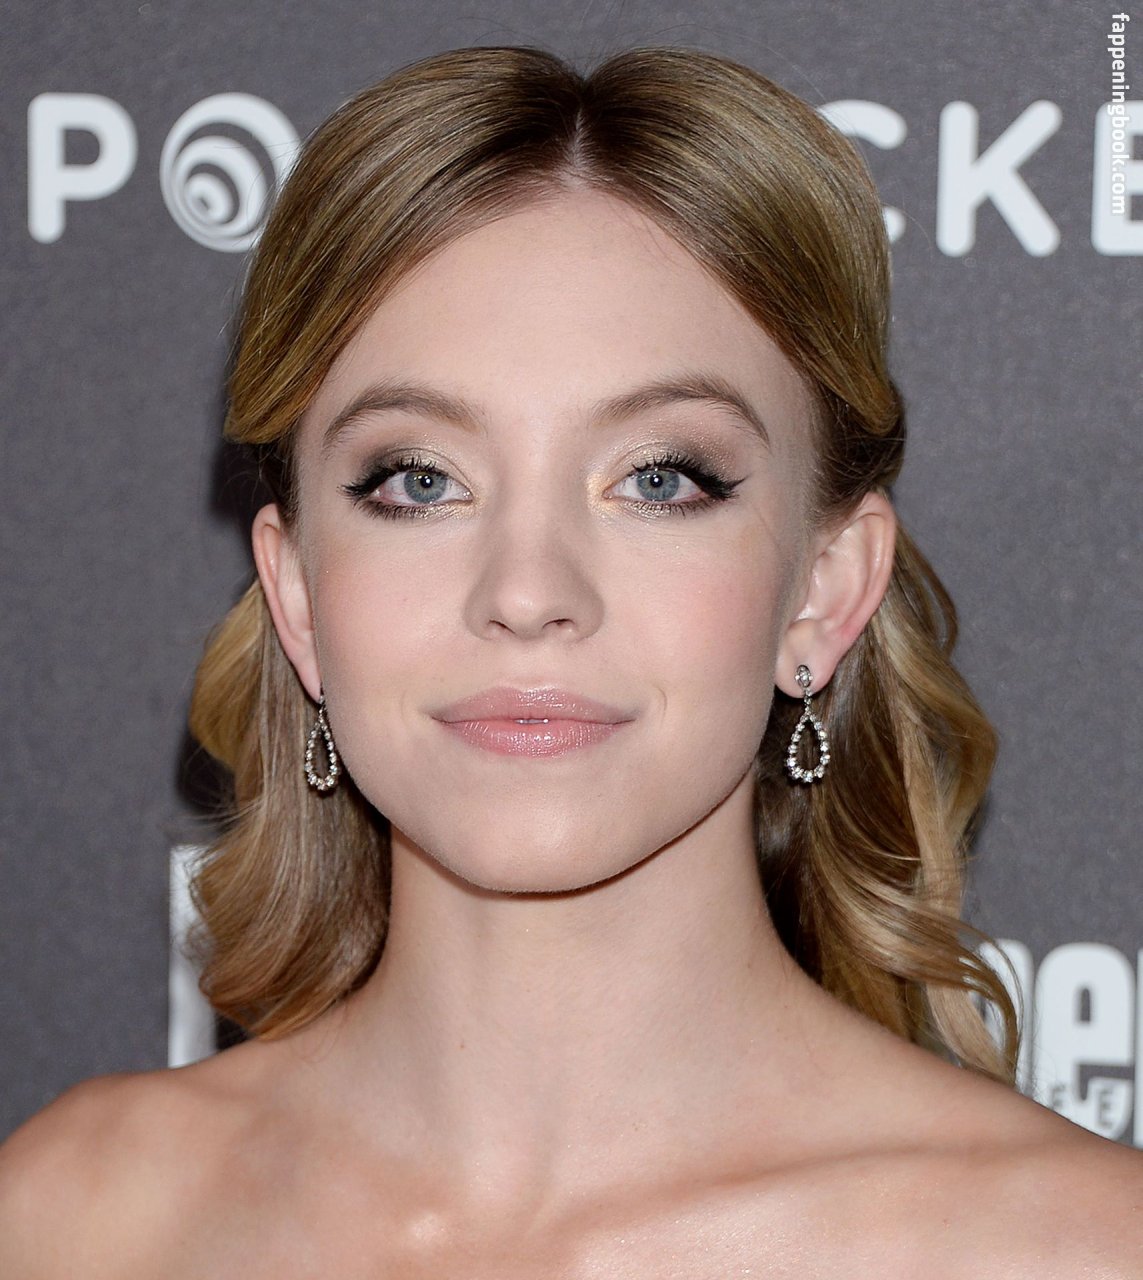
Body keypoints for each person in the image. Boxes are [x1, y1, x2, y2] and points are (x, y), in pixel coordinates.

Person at [1, 44, 1140, 1276]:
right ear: (297, 594)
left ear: (825, 586)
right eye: (419, 479)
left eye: (659, 479)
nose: (528, 592)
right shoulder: (73, 1220)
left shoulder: (1076, 1249)